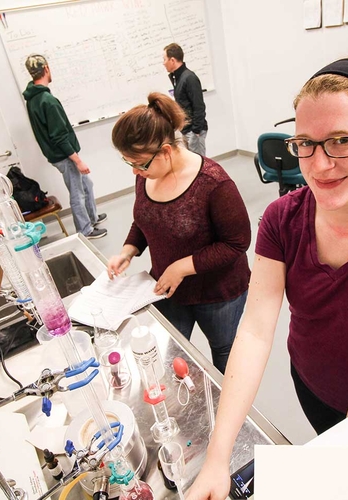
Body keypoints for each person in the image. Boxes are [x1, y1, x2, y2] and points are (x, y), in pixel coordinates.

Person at [187, 56, 348, 500]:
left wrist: (342, 471)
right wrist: (218, 459)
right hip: (309, 383)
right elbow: (253, 331)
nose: (319, 164)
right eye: (305, 144)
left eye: (342, 141)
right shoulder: (282, 219)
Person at [107, 92, 251, 373]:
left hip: (218, 293)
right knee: (170, 350)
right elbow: (146, 219)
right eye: (130, 164)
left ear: (165, 152)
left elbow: (236, 243)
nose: (136, 172)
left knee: (223, 353)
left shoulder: (213, 183)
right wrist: (128, 250)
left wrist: (181, 268)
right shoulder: (149, 174)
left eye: (140, 164)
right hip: (168, 288)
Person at [23, 54, 107, 239]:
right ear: (46, 69)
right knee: (78, 193)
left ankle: (92, 218)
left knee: (87, 185)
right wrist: (77, 161)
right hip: (64, 156)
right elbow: (59, 136)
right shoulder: (47, 100)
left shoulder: (33, 99)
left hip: (57, 154)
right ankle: (85, 230)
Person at [163, 43, 208, 156]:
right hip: (187, 130)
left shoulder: (189, 77)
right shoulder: (178, 78)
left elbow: (199, 106)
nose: (163, 63)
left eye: (164, 59)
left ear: (172, 60)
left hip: (193, 131)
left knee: (200, 164)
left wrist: (196, 131)